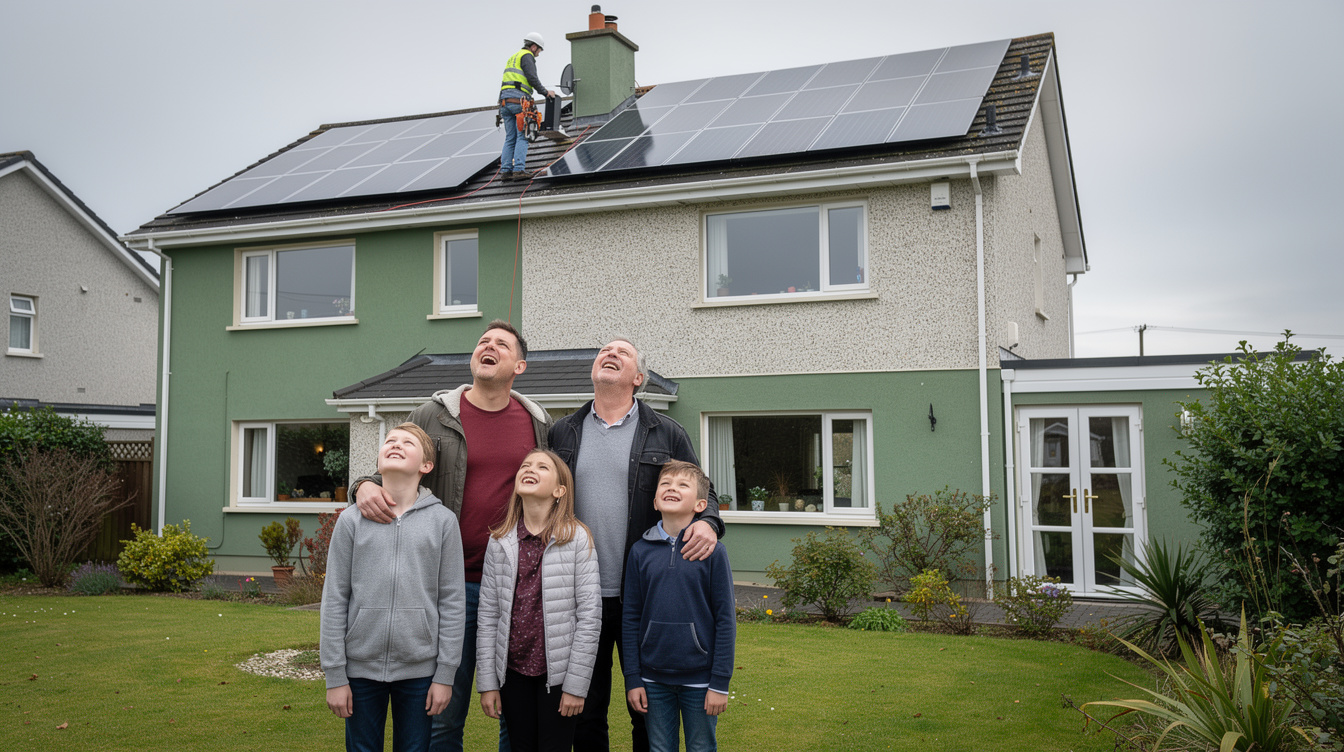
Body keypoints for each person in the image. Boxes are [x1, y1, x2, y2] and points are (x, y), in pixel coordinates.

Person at [354, 320, 552, 752]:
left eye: (501, 344)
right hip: (448, 586)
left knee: (516, 713)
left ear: (518, 365)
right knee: (443, 712)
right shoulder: (436, 413)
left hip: (516, 586)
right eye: (483, 341)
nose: (489, 346)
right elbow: (397, 458)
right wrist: (362, 485)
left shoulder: (538, 423)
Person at [548, 338, 724, 752]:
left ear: (638, 378)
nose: (610, 354)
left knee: (647, 710)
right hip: (581, 592)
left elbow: (704, 488)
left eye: (622, 353)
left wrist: (711, 522)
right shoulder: (563, 430)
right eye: (604, 351)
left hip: (644, 595)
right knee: (585, 712)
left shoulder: (666, 431)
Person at [321, 423, 466, 752]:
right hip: (359, 669)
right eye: (390, 441)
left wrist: (445, 675)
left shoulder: (443, 522)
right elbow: (334, 599)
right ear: (378, 458)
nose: (396, 445)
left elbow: (454, 602)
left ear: (426, 466)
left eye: (408, 443)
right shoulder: (352, 520)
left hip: (420, 671)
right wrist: (335, 675)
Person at [477, 449, 602, 752]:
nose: (530, 469)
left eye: (542, 467)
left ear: (560, 491)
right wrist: (488, 683)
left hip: (558, 676)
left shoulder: (577, 539)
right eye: (526, 465)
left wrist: (575, 686)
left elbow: (589, 617)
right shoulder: (499, 542)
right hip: (514, 673)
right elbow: (488, 616)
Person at [622, 460, 735, 752]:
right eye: (666, 484)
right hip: (652, 679)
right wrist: (633, 678)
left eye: (683, 485)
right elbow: (631, 617)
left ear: (700, 505)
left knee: (701, 747)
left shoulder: (713, 553)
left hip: (701, 681)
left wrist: (720, 683)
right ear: (655, 500)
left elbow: (725, 620)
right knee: (659, 748)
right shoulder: (639, 551)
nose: (672, 488)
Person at [499, 32, 554, 181]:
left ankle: (505, 171)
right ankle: (518, 170)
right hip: (519, 102)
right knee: (523, 137)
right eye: (539, 51)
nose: (538, 55)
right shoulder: (527, 56)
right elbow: (532, 77)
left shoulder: (513, 57)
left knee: (510, 138)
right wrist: (545, 93)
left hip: (504, 102)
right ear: (534, 46)